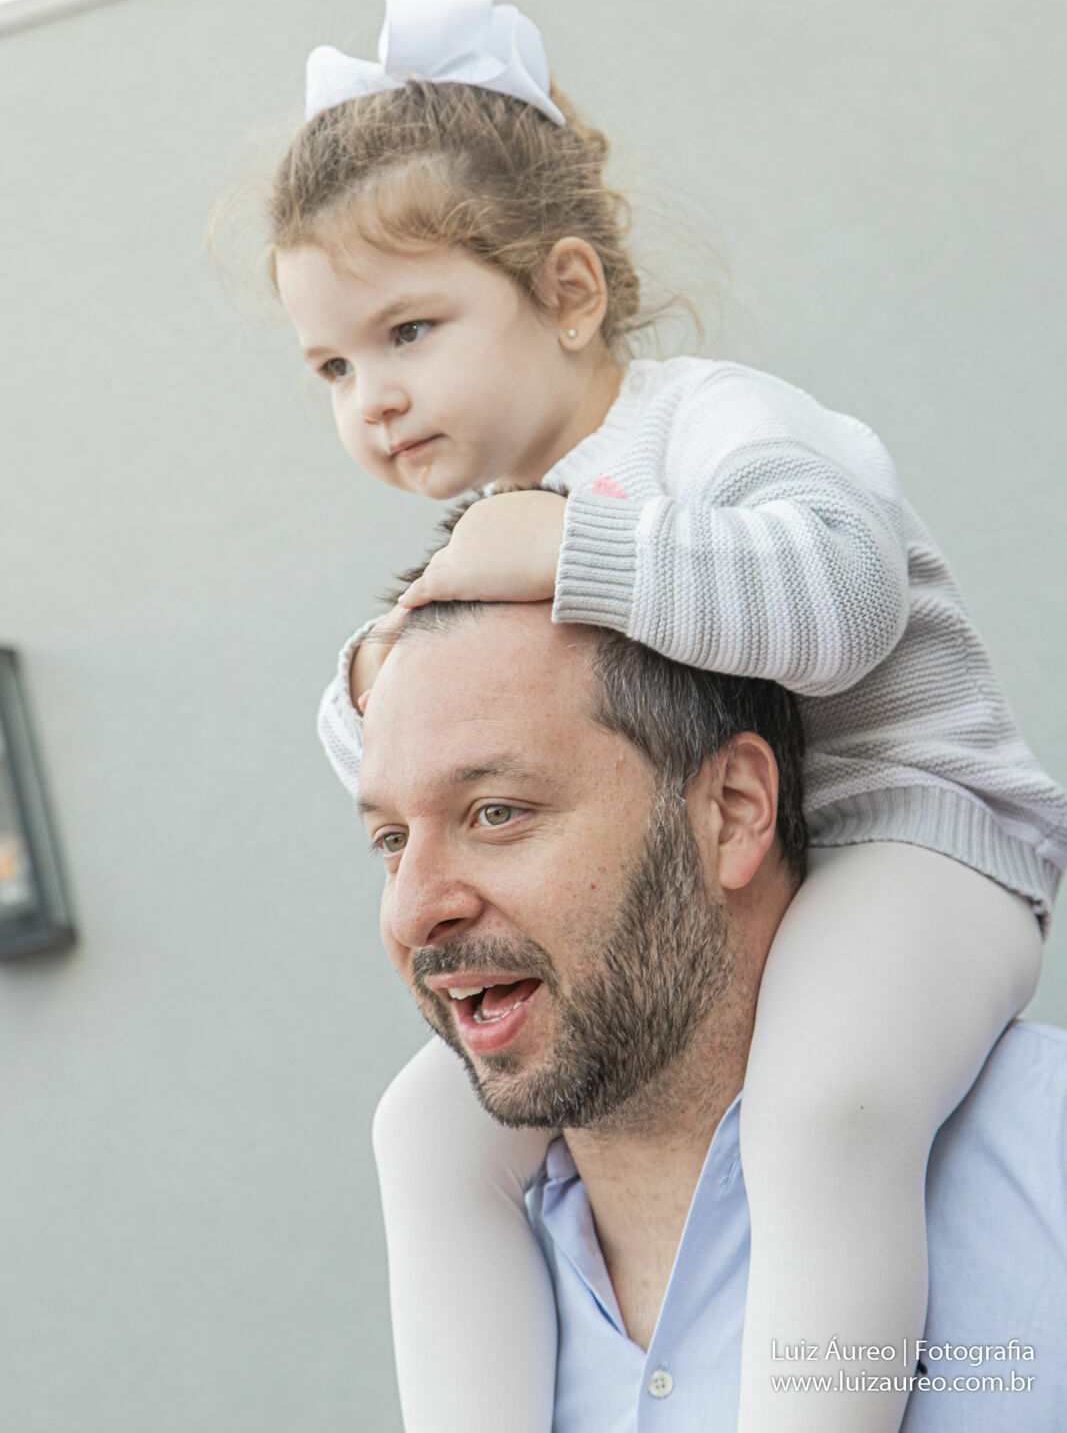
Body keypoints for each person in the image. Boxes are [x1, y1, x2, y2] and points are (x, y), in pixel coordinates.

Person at [265, 0, 1067, 1433]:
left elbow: (842, 596)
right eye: (330, 364)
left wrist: (573, 550)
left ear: (567, 293)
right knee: (421, 1134)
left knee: (820, 1109)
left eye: (409, 332)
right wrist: (384, 660)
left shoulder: (714, 424)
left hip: (918, 839)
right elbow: (396, 743)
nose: (367, 397)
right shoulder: (504, 525)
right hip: (777, 862)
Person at [352, 589, 1067, 1430]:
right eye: (391, 839)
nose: (410, 913)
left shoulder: (1044, 1172)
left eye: (498, 812)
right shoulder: (462, 1271)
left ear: (730, 811)